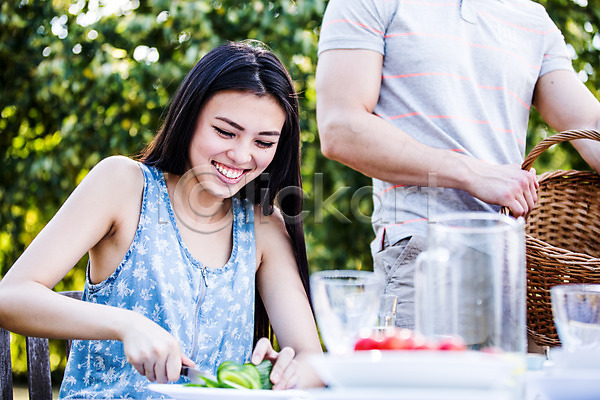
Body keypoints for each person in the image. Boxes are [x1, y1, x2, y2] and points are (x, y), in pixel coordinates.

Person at [0, 40, 323, 398]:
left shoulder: (263, 226)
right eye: (225, 132)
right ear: (190, 117)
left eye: (264, 142)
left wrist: (277, 374)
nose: (241, 154)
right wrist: (127, 325)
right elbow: (11, 297)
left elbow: (311, 360)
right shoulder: (124, 185)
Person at [316, 0, 600, 330]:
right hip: (425, 256)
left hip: (515, 265)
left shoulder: (532, 17)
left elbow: (589, 122)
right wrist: (474, 174)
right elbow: (340, 127)